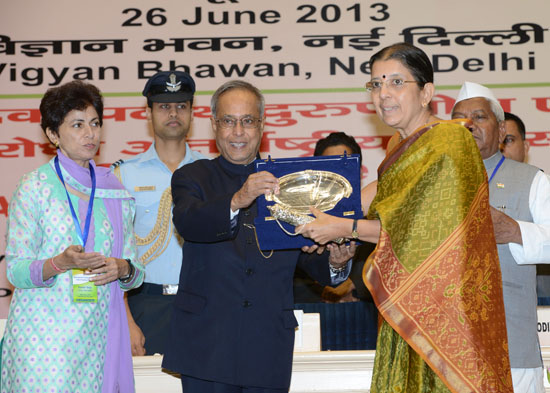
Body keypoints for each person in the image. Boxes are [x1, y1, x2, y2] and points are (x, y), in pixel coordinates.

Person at [299, 43, 513, 393]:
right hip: (408, 307)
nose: (383, 94)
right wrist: (308, 220)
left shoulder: (450, 141)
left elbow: (420, 233)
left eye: (396, 82)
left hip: (449, 314)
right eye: (375, 84)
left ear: (427, 92)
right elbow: (366, 198)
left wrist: (339, 227)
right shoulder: (398, 146)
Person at [161, 80, 354, 393]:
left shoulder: (288, 184)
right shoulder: (192, 176)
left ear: (262, 125)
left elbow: (309, 258)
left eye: (248, 121)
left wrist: (335, 262)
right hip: (207, 344)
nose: (238, 131)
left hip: (267, 344)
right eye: (228, 121)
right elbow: (189, 222)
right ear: (213, 125)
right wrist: (237, 199)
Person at [2, 80, 145, 392]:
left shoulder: (113, 191)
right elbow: (15, 270)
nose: (90, 133)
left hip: (97, 341)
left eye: (94, 123)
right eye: (77, 124)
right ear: (53, 134)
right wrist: (60, 262)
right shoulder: (34, 187)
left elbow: (136, 273)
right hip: (42, 345)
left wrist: (123, 269)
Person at [452, 81, 550, 393]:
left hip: (511, 342)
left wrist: (515, 231)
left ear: (501, 128)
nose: (469, 125)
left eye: (479, 117)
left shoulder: (532, 180)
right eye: (460, 120)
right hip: (447, 343)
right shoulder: (434, 182)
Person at [112, 70, 206, 356]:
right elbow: (113, 253)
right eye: (164, 106)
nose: (173, 113)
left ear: (191, 112)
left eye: (181, 105)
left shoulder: (210, 172)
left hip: (204, 302)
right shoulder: (123, 175)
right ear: (149, 113)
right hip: (145, 304)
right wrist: (125, 319)